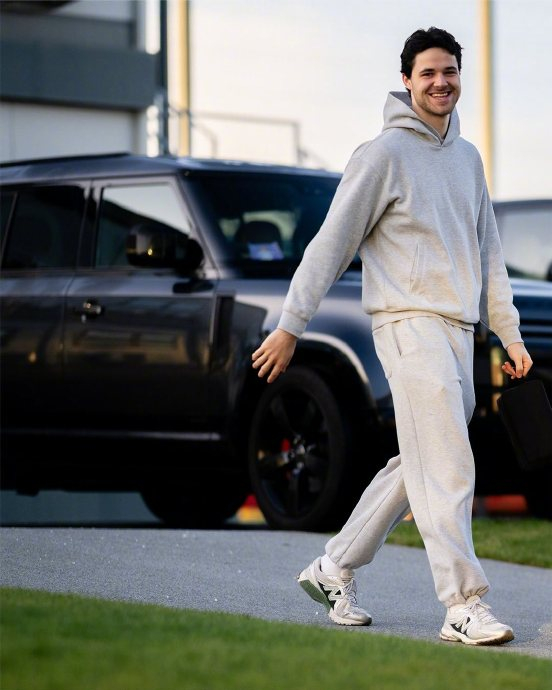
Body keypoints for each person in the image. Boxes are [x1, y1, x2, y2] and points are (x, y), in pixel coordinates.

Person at [251, 26, 533, 646]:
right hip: (407, 324)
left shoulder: (468, 159)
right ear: (406, 80)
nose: (440, 82)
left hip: (458, 331)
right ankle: (463, 603)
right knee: (449, 461)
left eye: (449, 71)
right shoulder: (381, 155)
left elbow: (490, 257)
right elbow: (332, 243)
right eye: (427, 72)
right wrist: (291, 325)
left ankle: (334, 566)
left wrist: (509, 336)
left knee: (423, 460)